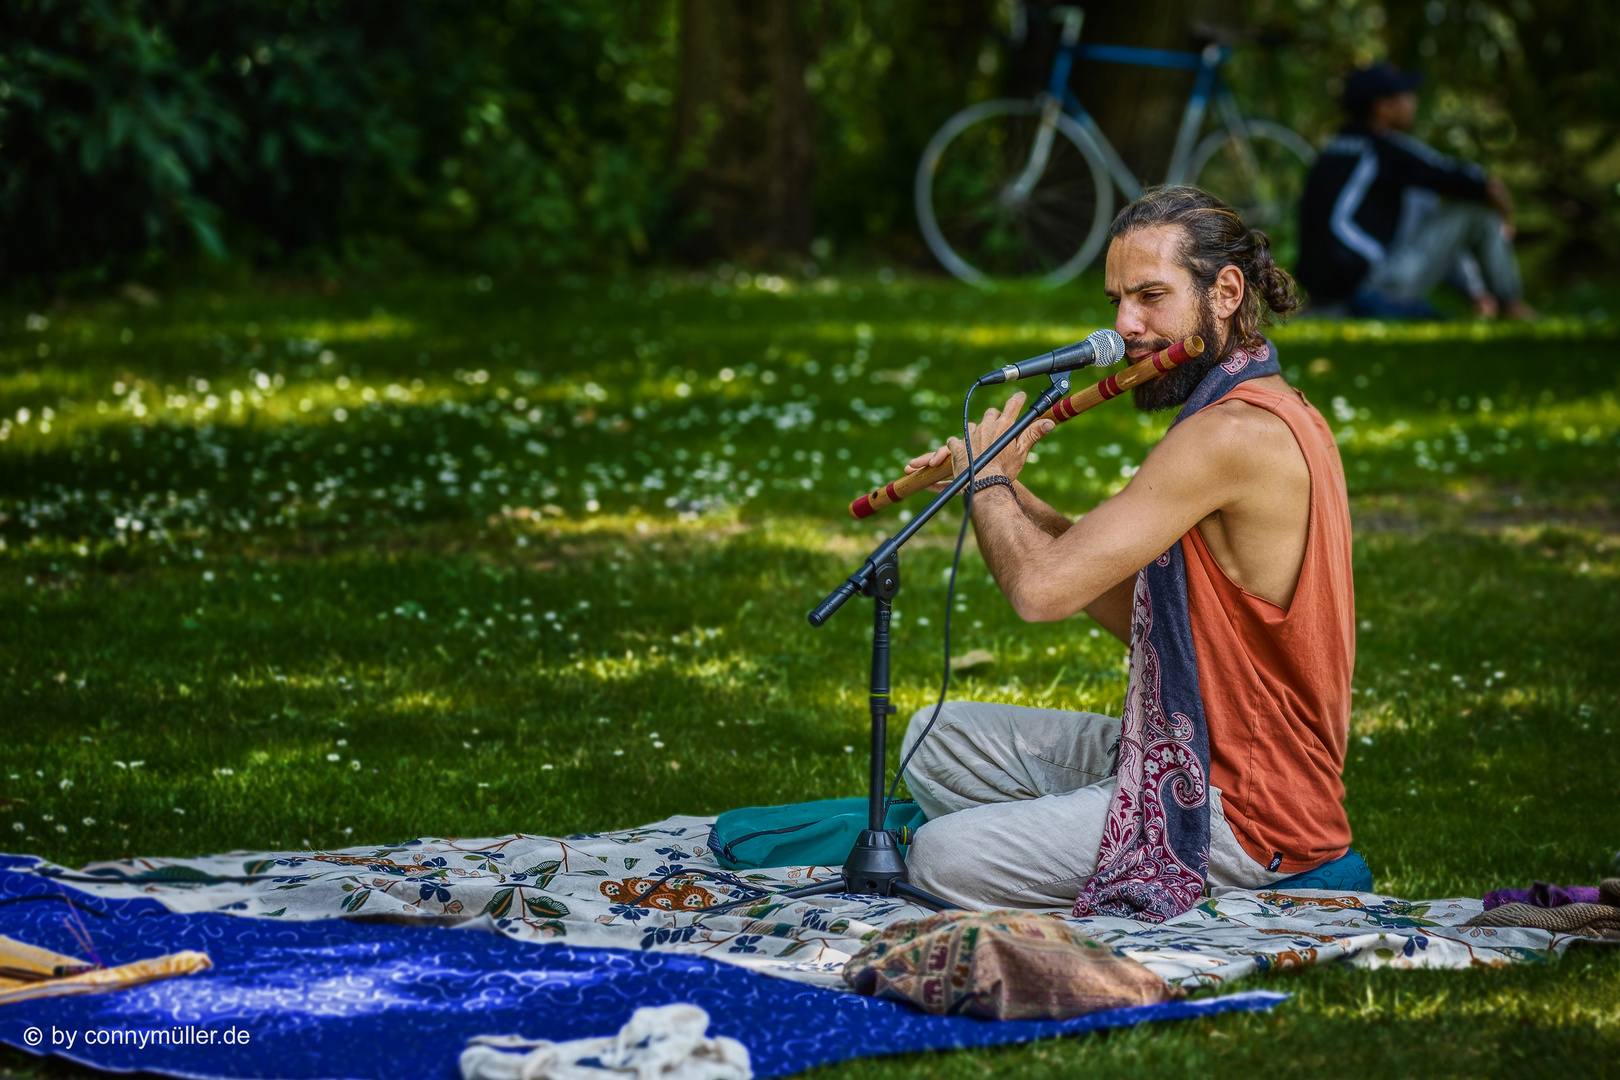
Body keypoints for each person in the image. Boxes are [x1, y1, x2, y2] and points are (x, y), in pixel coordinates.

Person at [896, 186, 1354, 916]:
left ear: (1226, 291)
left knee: (940, 856)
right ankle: (1098, 816)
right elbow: (1131, 607)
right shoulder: (1252, 406)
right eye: (1116, 300)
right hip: (1183, 743)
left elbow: (1041, 594)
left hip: (1244, 807)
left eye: (1150, 297)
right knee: (931, 740)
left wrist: (989, 485)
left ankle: (1117, 833)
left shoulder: (1230, 436)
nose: (1124, 326)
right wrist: (1003, 486)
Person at [1295, 62, 1533, 320]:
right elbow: (1479, 184)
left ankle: (1479, 297)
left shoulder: (1333, 148)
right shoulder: (1385, 151)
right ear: (1383, 107)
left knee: (1427, 205)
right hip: (1370, 289)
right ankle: (1512, 305)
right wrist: (1506, 214)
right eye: (1405, 95)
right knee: (1475, 214)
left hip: (1328, 292)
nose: (1413, 102)